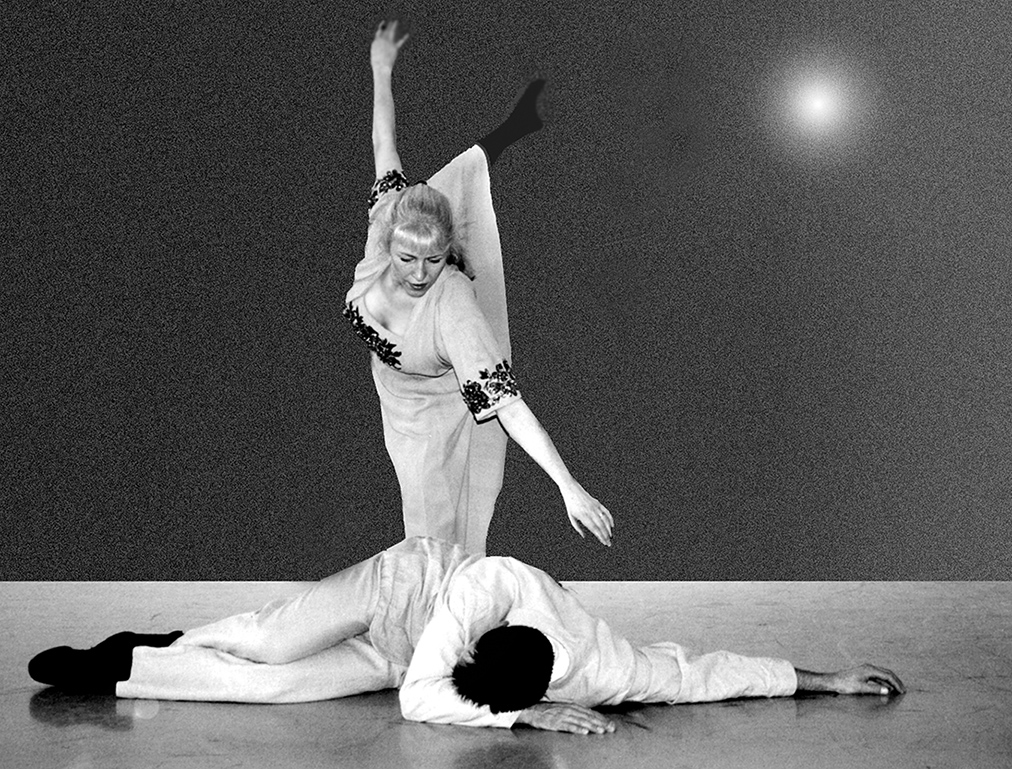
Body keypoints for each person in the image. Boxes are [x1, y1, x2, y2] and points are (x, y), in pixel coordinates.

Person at [28, 537, 905, 734]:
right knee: (269, 643)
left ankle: (129, 669)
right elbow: (422, 697)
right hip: (399, 590)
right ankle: (164, 634)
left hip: (403, 654)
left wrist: (826, 680)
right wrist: (518, 718)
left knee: (273, 687)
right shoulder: (495, 586)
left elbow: (705, 672)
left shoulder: (608, 666)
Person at [345, 20, 613, 553]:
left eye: (433, 259)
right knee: (448, 181)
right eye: (406, 259)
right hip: (393, 388)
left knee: (433, 540)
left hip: (433, 407)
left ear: (448, 252)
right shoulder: (385, 222)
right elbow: (383, 141)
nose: (418, 274)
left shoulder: (451, 303)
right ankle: (511, 129)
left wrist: (569, 487)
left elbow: (508, 404)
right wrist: (381, 66)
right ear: (389, 240)